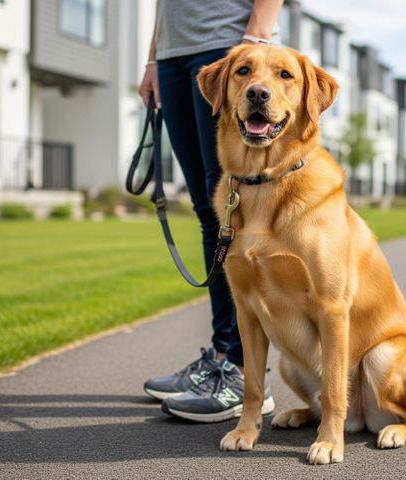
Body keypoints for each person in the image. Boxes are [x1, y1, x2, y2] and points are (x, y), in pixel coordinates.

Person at [139, 0, 283, 422]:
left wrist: (253, 44)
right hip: (173, 55)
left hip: (226, 45)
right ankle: (222, 355)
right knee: (209, 207)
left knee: (228, 203)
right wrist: (154, 57)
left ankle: (241, 372)